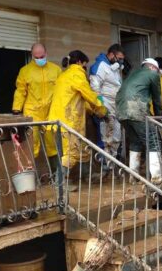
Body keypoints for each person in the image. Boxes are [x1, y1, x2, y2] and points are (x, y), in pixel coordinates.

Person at [47, 50, 107, 188]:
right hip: (69, 120)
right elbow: (89, 96)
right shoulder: (77, 74)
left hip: (59, 119)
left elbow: (80, 99)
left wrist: (93, 110)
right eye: (84, 64)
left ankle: (87, 175)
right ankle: (60, 183)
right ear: (79, 62)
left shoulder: (64, 75)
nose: (84, 68)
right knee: (71, 152)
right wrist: (102, 109)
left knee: (82, 149)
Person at [12, 43, 62, 173]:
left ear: (46, 53)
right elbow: (20, 90)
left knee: (53, 144)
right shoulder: (25, 71)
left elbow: (61, 90)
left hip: (51, 110)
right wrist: (16, 109)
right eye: (37, 57)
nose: (40, 59)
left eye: (42, 56)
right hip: (32, 110)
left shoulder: (56, 69)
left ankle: (57, 175)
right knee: (32, 143)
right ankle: (30, 175)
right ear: (32, 56)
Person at [115, 58, 162, 182]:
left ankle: (133, 176)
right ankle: (157, 177)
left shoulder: (133, 74)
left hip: (121, 110)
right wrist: (160, 118)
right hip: (135, 108)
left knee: (135, 140)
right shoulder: (152, 74)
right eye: (158, 70)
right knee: (153, 140)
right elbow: (157, 99)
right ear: (153, 68)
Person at [90, 44, 126, 161]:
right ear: (111, 54)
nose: (120, 61)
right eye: (119, 58)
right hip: (105, 106)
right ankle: (104, 166)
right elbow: (95, 87)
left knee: (115, 137)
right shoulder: (101, 65)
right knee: (105, 137)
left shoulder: (113, 68)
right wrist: (100, 105)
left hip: (115, 106)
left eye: (122, 59)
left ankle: (113, 162)